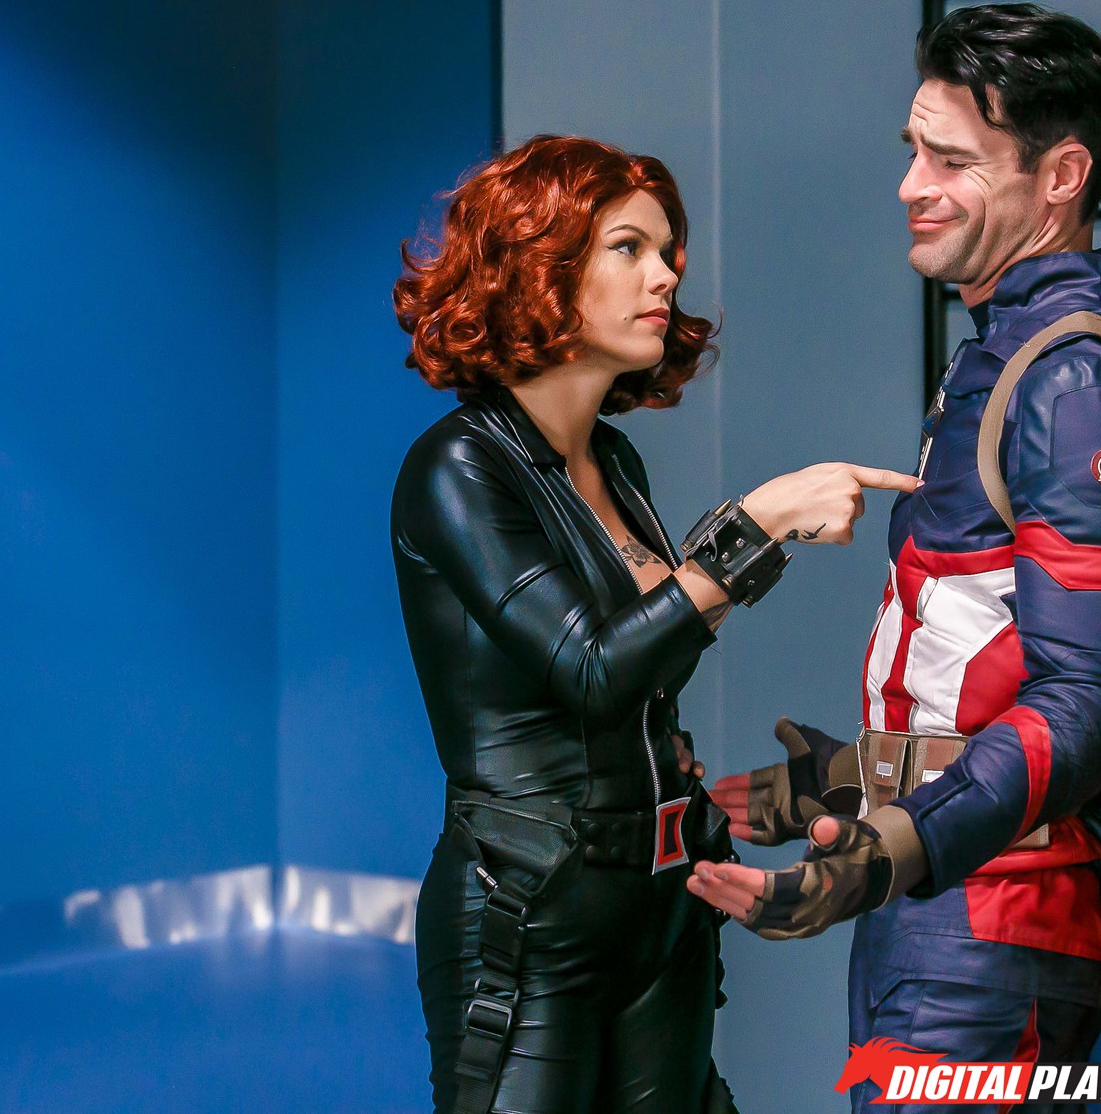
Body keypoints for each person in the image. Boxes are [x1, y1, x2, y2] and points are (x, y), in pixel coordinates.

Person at [689, 5, 1101, 1108]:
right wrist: (846, 779)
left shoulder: (1080, 384)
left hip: (1001, 914)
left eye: (952, 161)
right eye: (912, 151)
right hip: (953, 904)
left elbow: (1089, 704)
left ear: (1059, 175)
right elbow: (992, 661)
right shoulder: (1015, 349)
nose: (909, 185)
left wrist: (887, 844)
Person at [391, 134, 918, 1114]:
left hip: (661, 899)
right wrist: (757, 526)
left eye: (667, 251)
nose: (666, 275)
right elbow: (593, 670)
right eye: (627, 248)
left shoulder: (614, 462)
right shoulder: (457, 467)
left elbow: (650, 664)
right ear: (539, 266)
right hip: (526, 913)